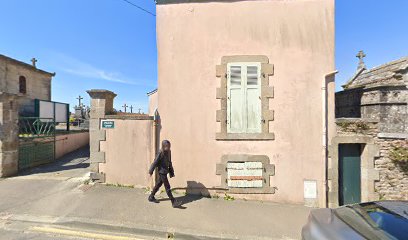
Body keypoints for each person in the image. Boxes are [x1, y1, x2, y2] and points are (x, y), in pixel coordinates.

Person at [148, 140, 181, 208]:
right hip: (161, 172)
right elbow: (155, 162)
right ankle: (173, 201)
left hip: (165, 171)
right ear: (163, 146)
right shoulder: (160, 152)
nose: (168, 147)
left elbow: (169, 161)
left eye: (169, 146)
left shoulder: (169, 152)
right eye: (166, 146)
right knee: (167, 187)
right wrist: (151, 171)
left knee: (158, 184)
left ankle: (151, 197)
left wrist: (171, 170)